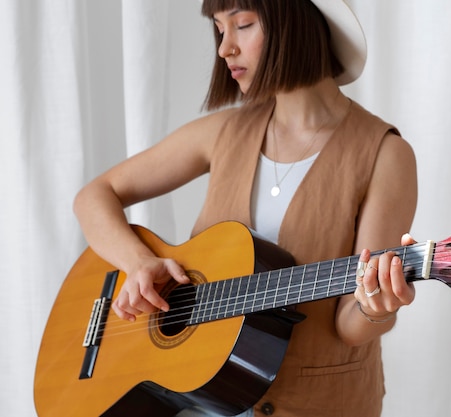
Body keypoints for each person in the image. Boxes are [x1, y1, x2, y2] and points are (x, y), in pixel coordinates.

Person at [73, 0, 418, 416]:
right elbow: (94, 196)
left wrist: (375, 307)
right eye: (220, 29)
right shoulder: (222, 133)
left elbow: (348, 326)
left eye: (243, 25)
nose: (224, 48)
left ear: (295, 24)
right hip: (203, 404)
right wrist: (139, 262)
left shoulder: (385, 155)